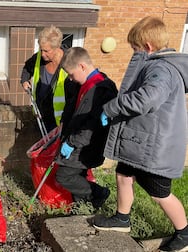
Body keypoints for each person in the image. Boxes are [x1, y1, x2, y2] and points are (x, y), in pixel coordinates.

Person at [92, 16, 188, 252]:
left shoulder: (161, 68)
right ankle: (122, 219)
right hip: (140, 141)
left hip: (154, 148)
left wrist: (111, 108)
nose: (133, 52)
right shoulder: (158, 65)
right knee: (123, 175)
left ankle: (184, 233)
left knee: (159, 193)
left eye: (134, 48)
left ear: (147, 47)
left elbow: (148, 99)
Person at [55, 47, 118, 208]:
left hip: (87, 144)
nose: (71, 78)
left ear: (82, 66)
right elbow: (72, 107)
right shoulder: (82, 84)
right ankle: (84, 204)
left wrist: (72, 143)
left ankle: (98, 193)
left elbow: (92, 125)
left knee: (64, 176)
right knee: (78, 173)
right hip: (76, 138)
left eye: (71, 74)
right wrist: (63, 124)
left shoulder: (101, 89)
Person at [20, 25, 79, 133]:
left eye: (47, 51)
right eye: (41, 50)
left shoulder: (70, 62)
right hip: (41, 117)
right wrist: (24, 80)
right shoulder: (38, 58)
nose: (42, 54)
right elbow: (27, 69)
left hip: (60, 122)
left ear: (57, 48)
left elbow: (75, 97)